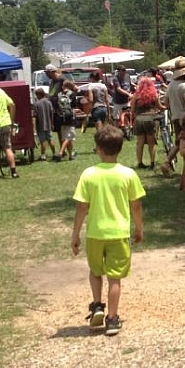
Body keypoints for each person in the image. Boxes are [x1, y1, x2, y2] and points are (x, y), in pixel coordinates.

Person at [71, 124, 145, 337]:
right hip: (119, 233)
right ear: (120, 149)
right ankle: (112, 319)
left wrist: (75, 234)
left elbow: (82, 207)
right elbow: (136, 205)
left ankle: (97, 306)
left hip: (95, 233)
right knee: (115, 278)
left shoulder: (89, 174)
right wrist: (139, 228)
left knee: (96, 272)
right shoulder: (128, 174)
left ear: (98, 149)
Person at [160, 59, 185, 176]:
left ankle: (167, 162)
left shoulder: (170, 86)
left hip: (175, 117)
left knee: (179, 142)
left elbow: (166, 103)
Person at [130, 76, 167, 168]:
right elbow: (160, 107)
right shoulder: (154, 95)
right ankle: (152, 163)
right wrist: (167, 106)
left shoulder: (136, 96)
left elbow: (132, 110)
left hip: (139, 120)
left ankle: (140, 163)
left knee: (140, 143)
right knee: (151, 143)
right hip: (150, 119)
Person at [45, 64, 66, 157]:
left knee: (64, 130)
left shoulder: (62, 79)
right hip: (54, 108)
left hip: (61, 108)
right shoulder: (52, 81)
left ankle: (65, 150)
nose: (46, 75)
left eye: (47, 73)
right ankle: (63, 149)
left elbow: (67, 90)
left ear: (52, 72)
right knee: (58, 130)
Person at [33, 87, 58, 161]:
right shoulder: (49, 102)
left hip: (40, 125)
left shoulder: (36, 104)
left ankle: (43, 156)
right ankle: (54, 154)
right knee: (50, 140)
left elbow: (35, 115)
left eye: (36, 95)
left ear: (39, 95)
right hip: (49, 124)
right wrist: (52, 124)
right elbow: (52, 114)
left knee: (42, 141)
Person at [57, 80, 78, 160]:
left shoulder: (59, 94)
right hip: (70, 117)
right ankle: (61, 152)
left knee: (66, 136)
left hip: (61, 117)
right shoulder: (72, 94)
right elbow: (73, 106)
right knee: (69, 137)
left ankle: (71, 156)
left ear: (63, 86)